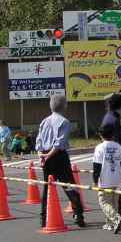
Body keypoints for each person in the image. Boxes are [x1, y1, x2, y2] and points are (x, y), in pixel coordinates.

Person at [36, 94, 86, 228]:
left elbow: (38, 142)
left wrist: (42, 155)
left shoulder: (44, 121)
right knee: (69, 185)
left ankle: (43, 218)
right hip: (59, 157)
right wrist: (50, 155)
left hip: (46, 156)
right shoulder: (64, 121)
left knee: (47, 187)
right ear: (64, 106)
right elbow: (59, 143)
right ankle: (79, 215)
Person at [92, 124, 121, 234]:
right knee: (114, 202)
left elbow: (97, 166)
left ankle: (116, 218)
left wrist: (95, 180)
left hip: (105, 179)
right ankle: (110, 224)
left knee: (104, 202)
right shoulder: (118, 146)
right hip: (117, 178)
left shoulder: (99, 148)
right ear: (113, 135)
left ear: (101, 135)